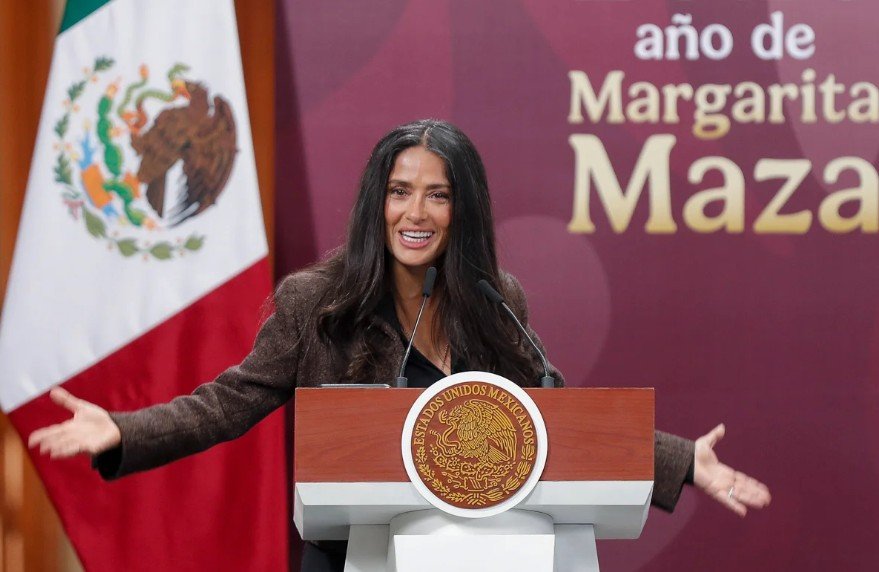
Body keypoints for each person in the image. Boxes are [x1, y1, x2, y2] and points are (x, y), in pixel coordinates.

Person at [29, 119, 771, 570]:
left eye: (438, 194)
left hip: (483, 556)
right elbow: (228, 402)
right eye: (399, 191)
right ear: (375, 202)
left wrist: (680, 460)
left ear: (463, 209)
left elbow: (551, 422)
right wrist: (122, 429)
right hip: (353, 556)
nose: (415, 212)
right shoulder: (318, 304)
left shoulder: (496, 301)